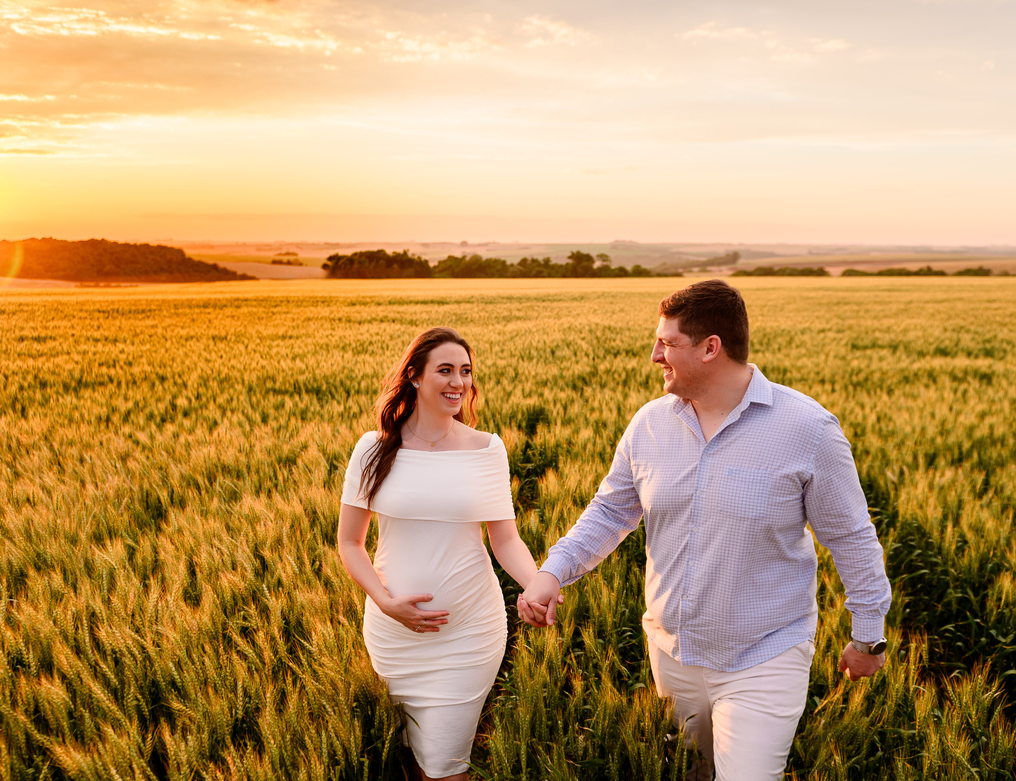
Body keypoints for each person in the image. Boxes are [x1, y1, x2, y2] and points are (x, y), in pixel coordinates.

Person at [518, 280, 892, 781]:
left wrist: (869, 636)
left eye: (667, 343)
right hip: (672, 654)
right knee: (690, 772)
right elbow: (610, 513)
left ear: (711, 347)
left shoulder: (808, 430)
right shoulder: (649, 424)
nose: (655, 355)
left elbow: (851, 537)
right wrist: (553, 572)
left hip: (765, 653)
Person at [338, 326, 549, 781]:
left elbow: (505, 539)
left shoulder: (486, 449)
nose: (458, 382)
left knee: (444, 766)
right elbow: (349, 543)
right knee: (413, 759)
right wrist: (386, 603)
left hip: (469, 632)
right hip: (392, 634)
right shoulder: (373, 450)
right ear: (414, 376)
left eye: (466, 372)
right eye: (446, 371)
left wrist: (537, 585)